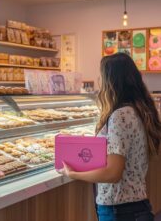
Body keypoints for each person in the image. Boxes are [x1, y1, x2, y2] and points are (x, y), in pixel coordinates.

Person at [60, 53, 161, 221]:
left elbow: (113, 173)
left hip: (120, 210)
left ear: (111, 81)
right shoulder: (138, 110)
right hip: (133, 207)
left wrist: (73, 174)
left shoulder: (120, 115)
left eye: (101, 76)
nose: (99, 81)